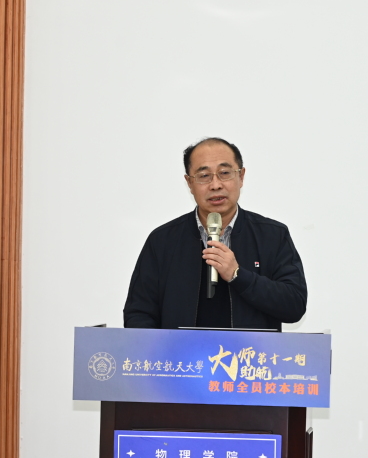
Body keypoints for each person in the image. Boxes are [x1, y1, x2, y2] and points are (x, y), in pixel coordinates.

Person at [123, 137, 307, 330]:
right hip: (181, 350)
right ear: (189, 183)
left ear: (241, 176)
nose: (215, 185)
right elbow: (138, 314)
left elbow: (294, 306)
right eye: (204, 176)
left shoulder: (272, 235)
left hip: (250, 350)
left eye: (225, 173)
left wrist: (237, 275)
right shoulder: (162, 241)